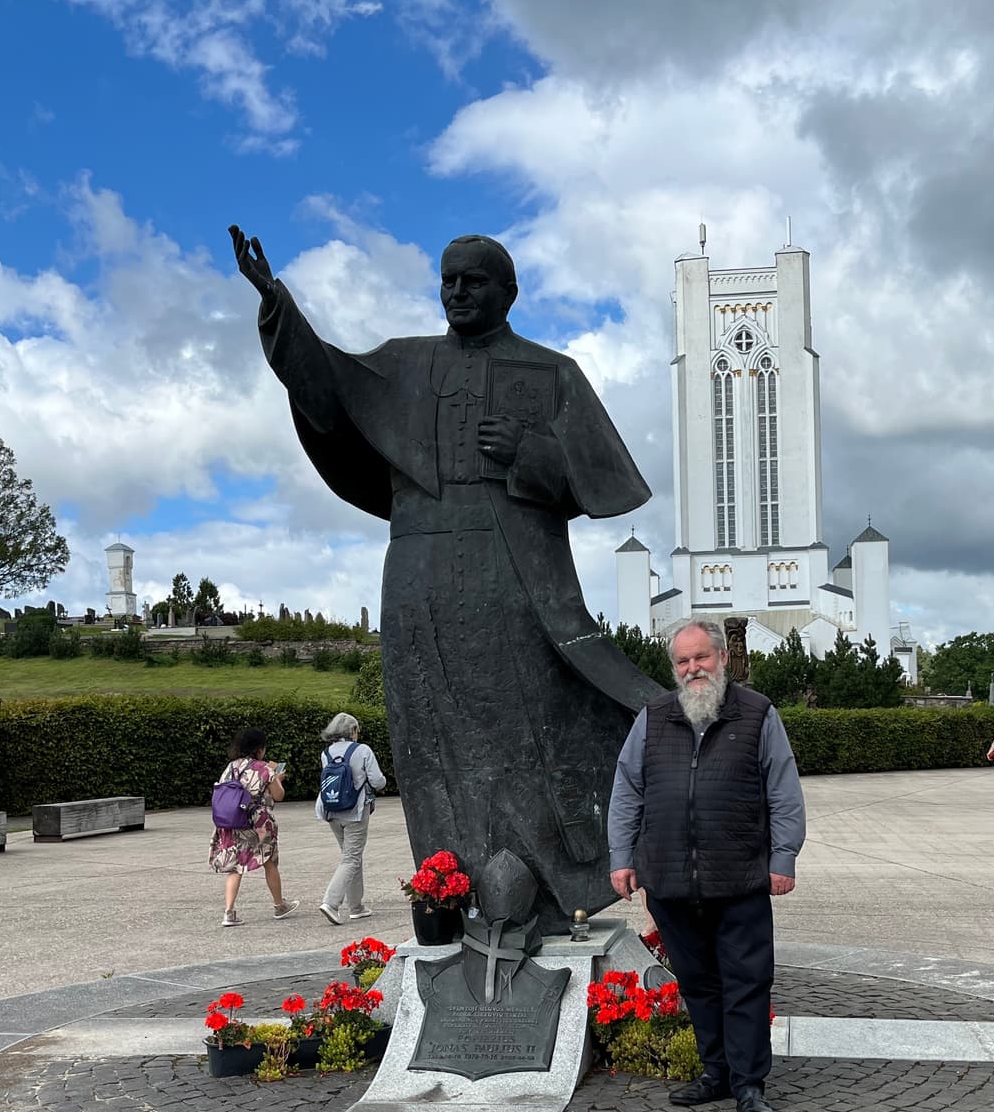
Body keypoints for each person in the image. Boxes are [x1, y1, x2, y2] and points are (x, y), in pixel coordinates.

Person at [232, 225, 659, 935]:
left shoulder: (552, 373)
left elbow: (605, 482)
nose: (458, 292)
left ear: (509, 293)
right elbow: (327, 388)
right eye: (448, 280)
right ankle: (448, 889)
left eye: (475, 281)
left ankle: (558, 878)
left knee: (537, 717)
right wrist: (276, 304)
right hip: (420, 570)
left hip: (514, 568)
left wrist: (533, 454)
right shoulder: (405, 364)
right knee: (430, 732)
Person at [607, 619, 806, 1112]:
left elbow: (783, 790)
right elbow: (627, 790)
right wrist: (621, 857)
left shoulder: (758, 714)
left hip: (738, 878)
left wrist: (783, 857)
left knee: (745, 983)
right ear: (674, 668)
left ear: (721, 659)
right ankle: (715, 1071)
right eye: (683, 661)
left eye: (702, 658)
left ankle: (749, 1085)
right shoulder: (653, 718)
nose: (693, 669)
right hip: (671, 882)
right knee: (697, 983)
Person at [210, 726, 295, 928]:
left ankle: (229, 912)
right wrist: (277, 778)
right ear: (259, 749)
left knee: (235, 866)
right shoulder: (265, 768)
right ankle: (279, 905)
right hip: (259, 821)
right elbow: (278, 795)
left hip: (232, 820)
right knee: (269, 861)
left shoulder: (231, 767)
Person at [316, 711, 388, 925]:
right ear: (352, 730)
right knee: (351, 858)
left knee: (350, 856)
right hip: (355, 811)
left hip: (330, 810)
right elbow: (378, 781)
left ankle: (356, 906)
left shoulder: (326, 753)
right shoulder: (362, 750)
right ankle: (331, 902)